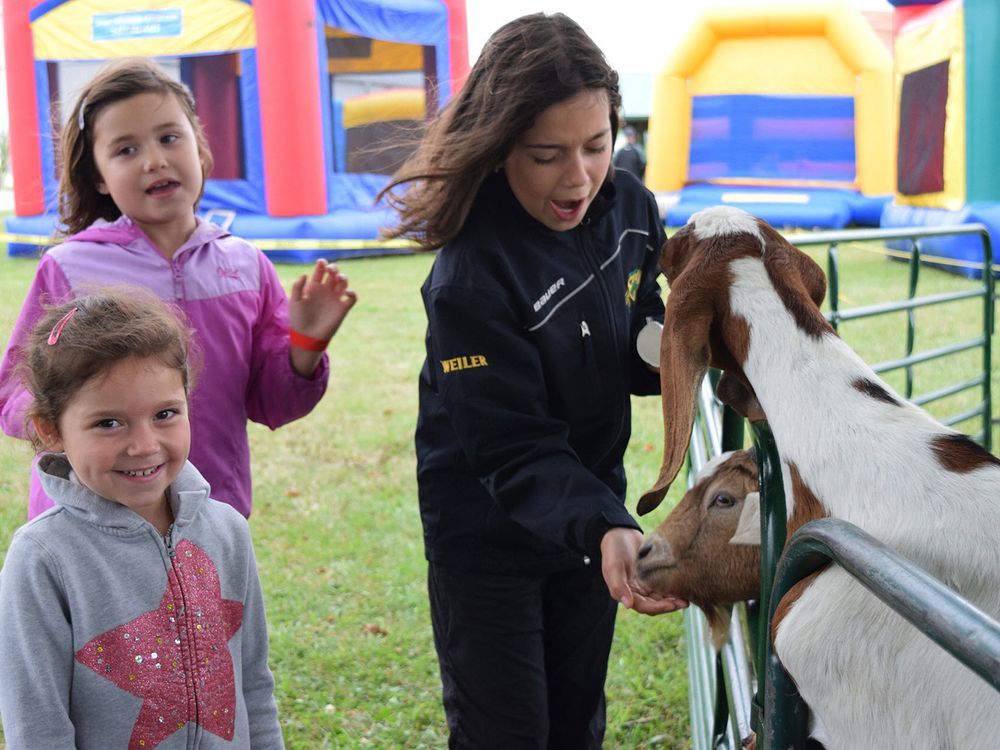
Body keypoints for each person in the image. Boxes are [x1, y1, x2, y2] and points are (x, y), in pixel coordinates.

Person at [379, 13, 687, 749]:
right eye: (547, 154)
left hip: (589, 517)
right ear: (498, 147)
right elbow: (510, 447)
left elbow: (638, 332)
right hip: (487, 537)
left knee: (577, 725)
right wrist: (606, 522)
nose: (578, 176)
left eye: (597, 145)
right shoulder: (471, 274)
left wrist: (684, 352)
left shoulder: (633, 210)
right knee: (506, 734)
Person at [0, 57, 356, 520]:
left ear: (201, 149)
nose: (154, 160)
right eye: (125, 150)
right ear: (98, 178)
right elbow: (16, 393)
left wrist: (306, 343)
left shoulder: (246, 266)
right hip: (91, 519)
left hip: (207, 513)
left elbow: (272, 403)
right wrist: (83, 426)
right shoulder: (69, 268)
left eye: (169, 137)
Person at [0, 291, 284, 748]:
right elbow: (37, 726)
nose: (145, 445)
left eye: (165, 414)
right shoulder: (43, 559)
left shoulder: (227, 530)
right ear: (51, 430)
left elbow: (253, 683)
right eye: (109, 423)